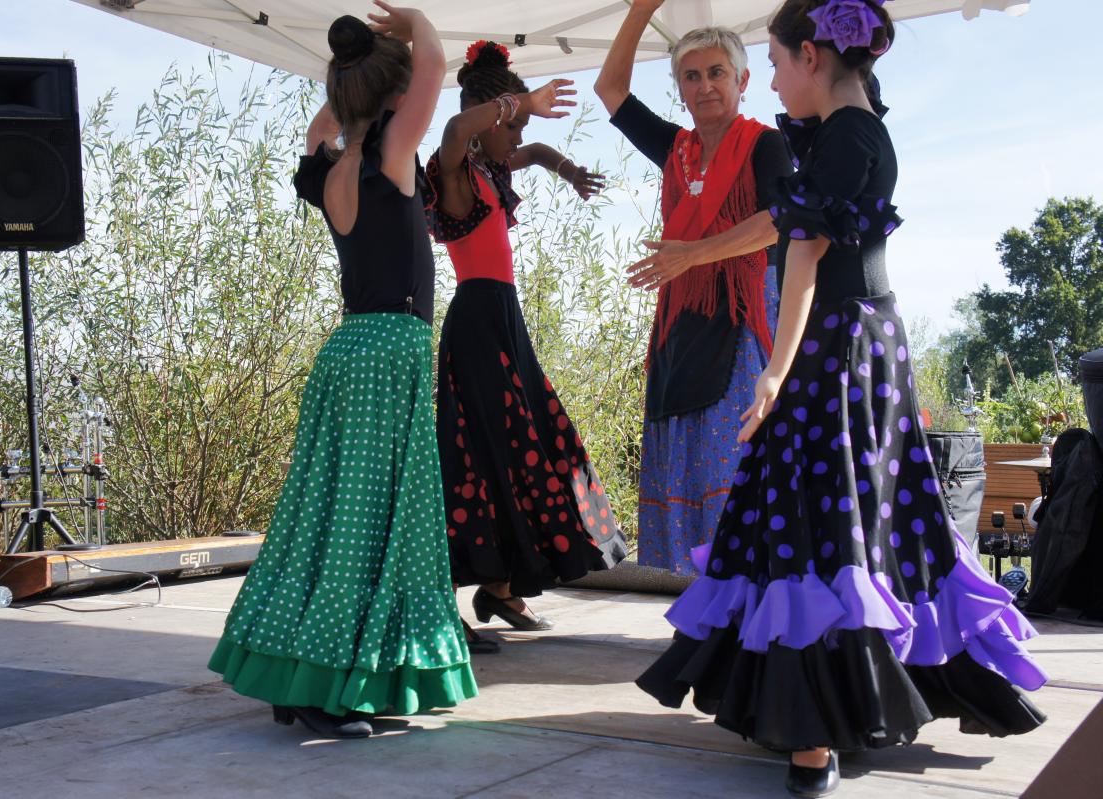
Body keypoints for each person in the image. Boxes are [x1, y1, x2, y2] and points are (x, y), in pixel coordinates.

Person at [635, 1, 1047, 795]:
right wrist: (701, 255)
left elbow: (803, 251)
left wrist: (775, 366)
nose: (776, 80)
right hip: (859, 343)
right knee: (851, 519)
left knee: (825, 523)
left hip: (836, 349)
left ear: (814, 55)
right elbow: (782, 228)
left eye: (780, 63)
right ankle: (832, 706)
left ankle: (815, 732)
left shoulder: (849, 134)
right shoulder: (842, 129)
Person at [208, 3, 477, 740]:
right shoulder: (392, 155)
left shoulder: (328, 171)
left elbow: (322, 128)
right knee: (365, 525)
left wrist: (356, 76)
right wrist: (415, 19)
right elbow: (433, 66)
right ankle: (333, 686)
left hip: (347, 351)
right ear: (391, 102)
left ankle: (300, 675)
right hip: (389, 352)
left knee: (321, 519)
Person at [424, 41, 627, 650]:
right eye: (509, 126)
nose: (516, 139)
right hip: (478, 324)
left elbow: (533, 150)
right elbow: (459, 125)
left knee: (529, 445)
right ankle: (455, 597)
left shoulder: (491, 166)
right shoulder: (457, 172)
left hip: (506, 322)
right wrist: (519, 103)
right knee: (481, 455)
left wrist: (567, 170)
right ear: (491, 115)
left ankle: (503, 588)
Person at [594, 0, 794, 576]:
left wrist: (695, 255)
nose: (705, 86)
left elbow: (779, 219)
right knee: (684, 453)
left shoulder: (764, 145)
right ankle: (700, 598)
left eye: (716, 73)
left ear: (742, 80)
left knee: (732, 460)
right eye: (691, 75)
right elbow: (610, 90)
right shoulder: (677, 149)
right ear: (679, 87)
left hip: (746, 316)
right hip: (684, 323)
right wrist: (641, 9)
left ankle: (743, 600)